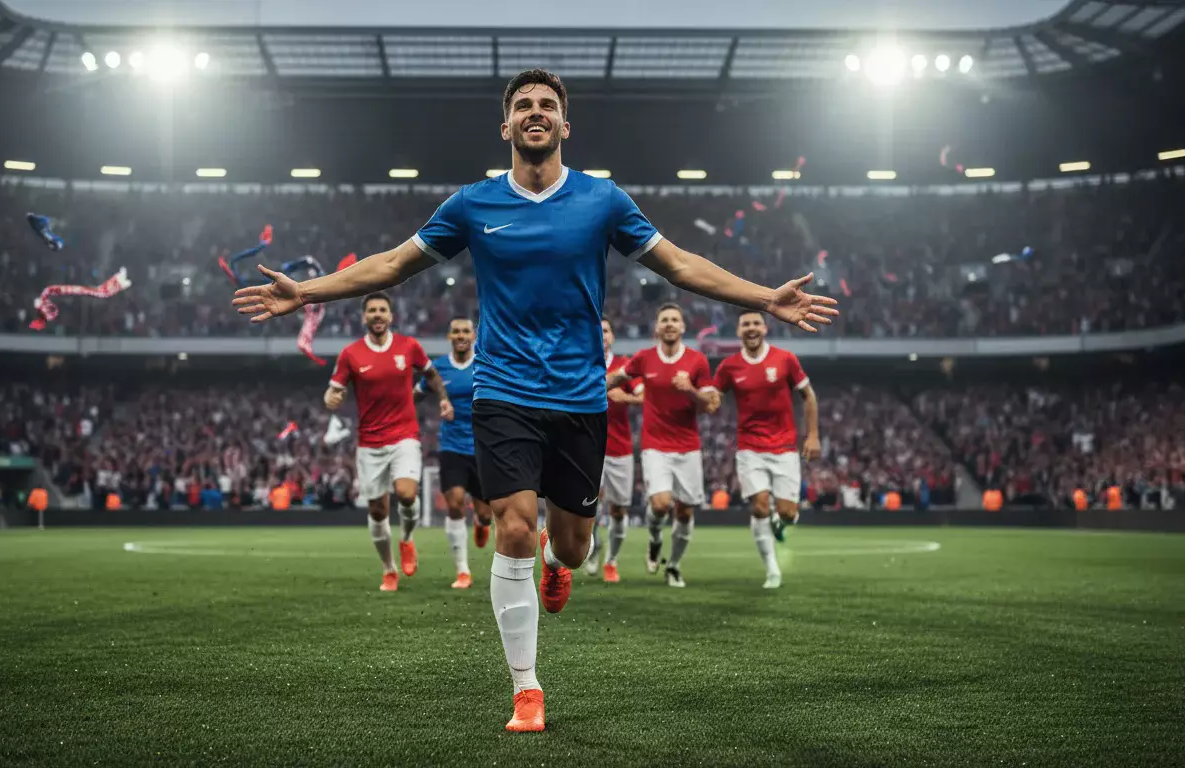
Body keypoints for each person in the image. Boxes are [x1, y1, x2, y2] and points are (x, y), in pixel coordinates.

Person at [231, 68, 838, 732]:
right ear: (507, 125)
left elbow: (681, 265)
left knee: (573, 545)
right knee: (514, 526)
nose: (536, 112)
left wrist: (764, 297)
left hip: (580, 399)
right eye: (523, 105)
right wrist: (306, 291)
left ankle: (558, 563)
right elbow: (392, 264)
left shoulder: (603, 201)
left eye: (548, 105)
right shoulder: (472, 204)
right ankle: (527, 688)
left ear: (565, 125)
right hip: (504, 392)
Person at [326, 293, 451, 592]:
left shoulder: (409, 346)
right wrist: (332, 398)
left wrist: (444, 399)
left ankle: (407, 538)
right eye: (372, 310)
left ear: (391, 316)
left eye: (383, 310)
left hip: (404, 435)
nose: (378, 314)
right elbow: (333, 390)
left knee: (407, 494)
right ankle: (388, 569)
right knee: (378, 511)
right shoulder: (350, 354)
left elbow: (432, 374)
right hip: (369, 443)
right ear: (364, 317)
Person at [607, 303, 718, 588]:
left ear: (683, 327)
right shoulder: (643, 358)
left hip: (688, 446)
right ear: (657, 328)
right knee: (660, 504)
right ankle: (655, 539)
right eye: (664, 320)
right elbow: (616, 378)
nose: (669, 324)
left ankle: (675, 566)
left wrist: (690, 390)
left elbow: (711, 404)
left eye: (675, 320)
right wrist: (583, 388)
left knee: (684, 511)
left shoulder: (697, 361)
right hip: (655, 444)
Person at [711, 311, 819, 589]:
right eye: (745, 323)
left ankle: (780, 521)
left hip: (784, 447)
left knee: (787, 512)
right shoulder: (728, 367)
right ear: (738, 331)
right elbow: (713, 399)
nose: (751, 328)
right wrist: (695, 395)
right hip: (749, 448)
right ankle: (772, 569)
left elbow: (808, 395)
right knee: (759, 506)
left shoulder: (785, 359)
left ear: (765, 328)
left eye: (756, 323)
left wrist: (813, 436)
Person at [416, 316, 493, 589]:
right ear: (449, 336)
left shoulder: (486, 365)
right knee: (455, 503)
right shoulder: (438, 369)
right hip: (451, 447)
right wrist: (440, 403)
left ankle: (482, 524)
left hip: (483, 449)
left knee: (485, 514)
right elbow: (415, 394)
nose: (461, 335)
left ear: (474, 336)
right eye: (456, 331)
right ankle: (463, 571)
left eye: (466, 331)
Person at [589, 316, 642, 584]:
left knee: (619, 510)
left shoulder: (625, 365)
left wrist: (627, 398)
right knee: (587, 507)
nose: (602, 334)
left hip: (620, 448)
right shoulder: (580, 362)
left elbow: (645, 395)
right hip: (586, 449)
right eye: (597, 330)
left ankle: (611, 560)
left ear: (612, 336)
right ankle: (592, 548)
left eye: (606, 330)